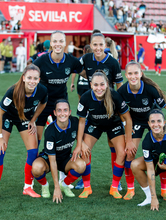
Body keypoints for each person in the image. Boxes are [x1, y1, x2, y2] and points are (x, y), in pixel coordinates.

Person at [0, 64, 48, 201]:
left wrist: (33, 120)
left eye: (35, 78)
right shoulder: (13, 91)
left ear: (39, 79)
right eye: (29, 78)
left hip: (24, 119)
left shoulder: (42, 90)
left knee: (33, 152)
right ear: (23, 78)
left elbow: (43, 104)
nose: (32, 81)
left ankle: (28, 187)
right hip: (7, 118)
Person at [117, 61, 166, 201]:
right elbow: (119, 112)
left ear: (141, 74)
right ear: (126, 75)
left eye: (136, 73)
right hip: (135, 122)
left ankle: (164, 190)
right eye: (130, 73)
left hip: (153, 122)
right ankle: (130, 189)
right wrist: (127, 128)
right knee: (129, 153)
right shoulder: (122, 91)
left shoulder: (150, 89)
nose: (133, 76)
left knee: (162, 154)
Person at [72, 71, 135, 199]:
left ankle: (114, 187)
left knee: (123, 153)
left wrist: (128, 140)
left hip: (114, 124)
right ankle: (87, 187)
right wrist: (80, 144)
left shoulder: (114, 95)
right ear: (91, 85)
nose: (99, 88)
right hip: (95, 125)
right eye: (96, 85)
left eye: (102, 84)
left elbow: (128, 119)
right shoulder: (85, 97)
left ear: (107, 84)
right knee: (85, 152)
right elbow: (81, 122)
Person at [74, 32, 124, 191]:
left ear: (106, 46)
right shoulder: (86, 59)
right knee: (85, 148)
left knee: (115, 148)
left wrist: (120, 106)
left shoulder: (113, 62)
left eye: (101, 45)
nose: (97, 48)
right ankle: (83, 181)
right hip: (93, 110)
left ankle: (117, 182)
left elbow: (119, 86)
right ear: (91, 45)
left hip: (110, 110)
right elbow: (75, 68)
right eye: (94, 45)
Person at [33, 31, 83, 152]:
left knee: (64, 137)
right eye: (55, 41)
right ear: (51, 43)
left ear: (65, 43)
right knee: (36, 141)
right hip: (43, 104)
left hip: (61, 104)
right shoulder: (41, 61)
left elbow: (86, 74)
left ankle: (62, 167)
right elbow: (28, 75)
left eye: (61, 41)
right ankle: (36, 168)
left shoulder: (71, 61)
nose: (58, 44)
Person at [32, 99, 86, 203]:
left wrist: (81, 143)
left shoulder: (75, 122)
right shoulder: (50, 131)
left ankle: (64, 185)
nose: (62, 113)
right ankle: (45, 185)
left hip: (65, 159)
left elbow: (77, 133)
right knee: (36, 168)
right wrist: (55, 188)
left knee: (81, 165)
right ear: (55, 113)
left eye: (65, 110)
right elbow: (53, 161)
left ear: (69, 112)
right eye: (59, 110)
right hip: (49, 159)